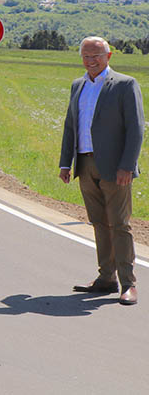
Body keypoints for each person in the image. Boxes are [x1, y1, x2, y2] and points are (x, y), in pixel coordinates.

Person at [60, 36, 143, 306]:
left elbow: (136, 129)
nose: (90, 60)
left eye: (96, 55)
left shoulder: (124, 84)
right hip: (84, 164)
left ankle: (129, 284)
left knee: (120, 224)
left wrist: (127, 166)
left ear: (109, 56)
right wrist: (65, 163)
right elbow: (70, 127)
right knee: (98, 223)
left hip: (116, 167)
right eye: (85, 55)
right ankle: (106, 278)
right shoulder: (78, 85)